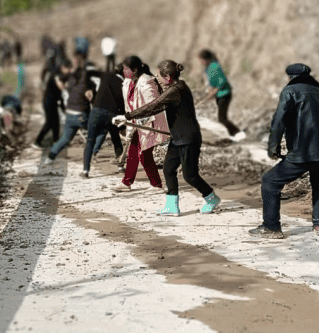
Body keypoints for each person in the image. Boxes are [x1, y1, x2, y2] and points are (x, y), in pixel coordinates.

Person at [116, 60, 220, 216]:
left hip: (188, 139)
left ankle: (211, 198)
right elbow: (157, 106)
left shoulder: (176, 90)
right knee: (168, 169)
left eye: (159, 76)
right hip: (177, 138)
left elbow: (154, 105)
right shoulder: (175, 87)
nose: (157, 78)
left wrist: (128, 116)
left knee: (190, 175)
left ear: (168, 77)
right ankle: (172, 206)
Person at [250, 64, 319, 240]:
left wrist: (273, 147)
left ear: (290, 77)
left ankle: (271, 226)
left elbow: (279, 120)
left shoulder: (290, 91)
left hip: (303, 151)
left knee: (270, 181)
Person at [110, 57, 166, 192]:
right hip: (134, 123)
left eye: (126, 69)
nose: (123, 71)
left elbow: (153, 106)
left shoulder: (147, 82)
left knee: (144, 155)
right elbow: (129, 105)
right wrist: (125, 120)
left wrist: (137, 121)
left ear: (134, 70)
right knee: (133, 153)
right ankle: (126, 183)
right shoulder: (128, 83)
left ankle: (157, 184)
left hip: (148, 124)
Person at [47, 55, 98, 161]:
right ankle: (93, 152)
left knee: (65, 138)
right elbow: (91, 93)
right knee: (97, 130)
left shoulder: (70, 77)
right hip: (81, 114)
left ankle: (51, 154)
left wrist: (64, 87)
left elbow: (59, 78)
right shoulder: (86, 78)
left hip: (70, 113)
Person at [81, 66, 125, 178]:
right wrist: (122, 123)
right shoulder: (123, 83)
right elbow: (122, 105)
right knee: (116, 141)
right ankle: (121, 168)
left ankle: (86, 171)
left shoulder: (106, 75)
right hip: (113, 114)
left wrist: (88, 88)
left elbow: (88, 72)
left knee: (90, 140)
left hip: (97, 111)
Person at [198, 49, 244, 141]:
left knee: (222, 118)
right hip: (220, 94)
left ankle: (238, 133)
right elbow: (213, 82)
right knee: (222, 118)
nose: (201, 62)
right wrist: (211, 90)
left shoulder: (215, 66)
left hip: (225, 94)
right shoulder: (208, 68)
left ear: (206, 59)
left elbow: (222, 81)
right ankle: (234, 135)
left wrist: (215, 90)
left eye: (202, 60)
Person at [34, 62, 67, 147]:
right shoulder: (56, 76)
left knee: (56, 122)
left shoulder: (60, 76)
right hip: (48, 102)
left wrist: (63, 108)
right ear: (63, 67)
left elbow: (60, 95)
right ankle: (37, 142)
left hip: (54, 102)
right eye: (67, 69)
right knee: (49, 123)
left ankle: (56, 141)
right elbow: (61, 88)